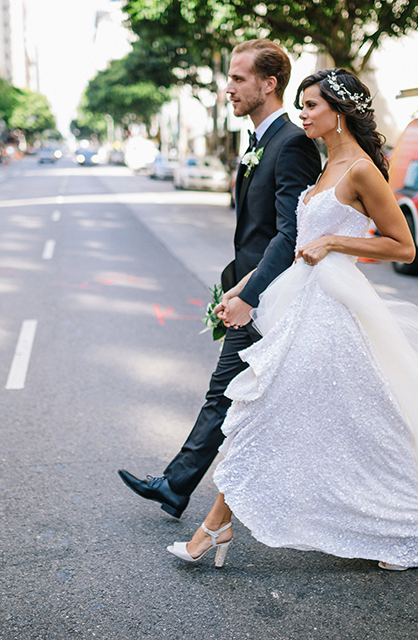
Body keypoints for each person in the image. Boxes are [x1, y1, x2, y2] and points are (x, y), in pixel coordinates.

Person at [166, 69, 418, 571]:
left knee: (302, 416)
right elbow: (298, 244)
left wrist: (337, 241)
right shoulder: (325, 167)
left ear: (338, 112)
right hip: (302, 304)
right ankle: (220, 523)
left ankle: (400, 525)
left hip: (335, 311)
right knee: (286, 416)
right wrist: (240, 289)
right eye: (300, 106)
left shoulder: (362, 169)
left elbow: (403, 246)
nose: (303, 115)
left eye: (311, 106)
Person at [118, 40, 322, 518]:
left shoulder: (291, 144)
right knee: (242, 398)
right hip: (253, 289)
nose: (226, 87)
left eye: (237, 78)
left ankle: (184, 488)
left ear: (269, 84)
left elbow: (290, 233)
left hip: (272, 296)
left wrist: (247, 295)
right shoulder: (258, 142)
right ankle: (180, 485)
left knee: (234, 396)